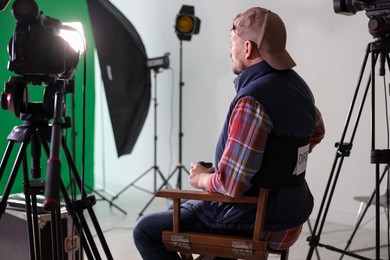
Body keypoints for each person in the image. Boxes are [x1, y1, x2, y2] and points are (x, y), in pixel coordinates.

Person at [133, 6, 325, 259]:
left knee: (146, 230)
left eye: (231, 41)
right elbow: (317, 132)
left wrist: (201, 178)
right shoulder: (299, 87)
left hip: (257, 220)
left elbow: (232, 185)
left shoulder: (253, 100)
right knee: (175, 210)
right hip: (291, 215)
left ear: (248, 47)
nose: (229, 49)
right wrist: (269, 166)